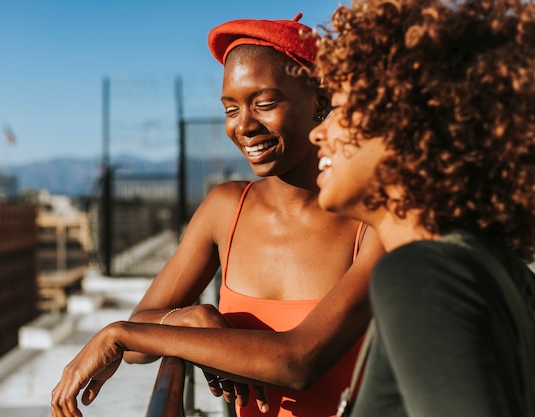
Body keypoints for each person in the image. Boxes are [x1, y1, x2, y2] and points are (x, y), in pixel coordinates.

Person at [51, 14, 384, 417]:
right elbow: (143, 341)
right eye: (230, 109)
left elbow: (298, 362)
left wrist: (118, 333)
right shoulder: (226, 208)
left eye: (264, 103)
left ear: (319, 100)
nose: (244, 125)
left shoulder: (372, 221)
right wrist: (194, 316)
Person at [307, 0, 535, 415]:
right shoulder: (498, 265)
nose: (317, 133)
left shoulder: (419, 273)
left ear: (407, 118)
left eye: (338, 107)